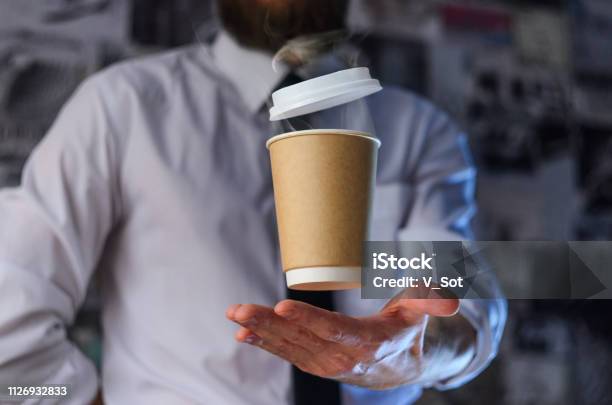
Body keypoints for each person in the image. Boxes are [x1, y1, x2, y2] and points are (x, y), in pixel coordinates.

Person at [0, 0, 506, 404]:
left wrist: (417, 350)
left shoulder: (419, 131)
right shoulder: (121, 108)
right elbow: (10, 332)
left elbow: (464, 312)